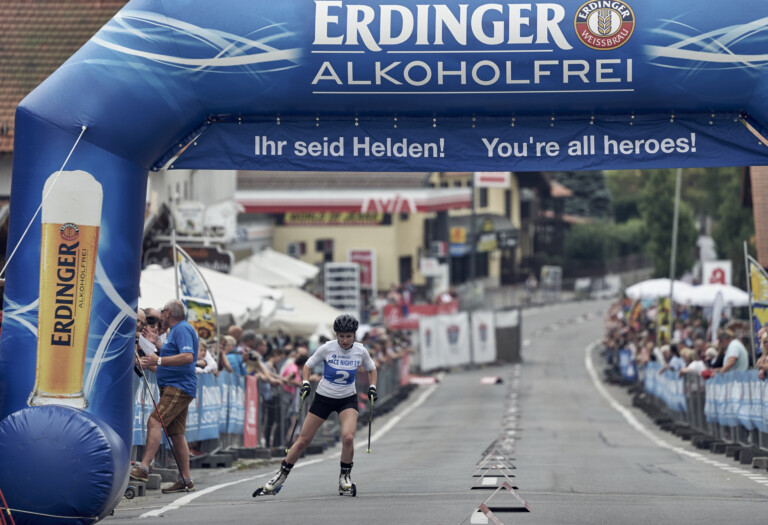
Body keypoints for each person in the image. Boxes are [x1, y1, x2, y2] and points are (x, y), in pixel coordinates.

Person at [261, 314, 377, 495]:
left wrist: (372, 387)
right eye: (341, 336)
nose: (345, 340)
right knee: (303, 441)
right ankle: (280, 476)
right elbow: (307, 365)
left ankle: (345, 477)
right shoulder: (327, 348)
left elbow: (372, 369)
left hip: (347, 399)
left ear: (354, 335)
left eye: (348, 336)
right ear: (336, 335)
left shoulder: (360, 351)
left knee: (348, 437)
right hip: (323, 397)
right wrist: (306, 382)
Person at [130, 299, 199, 493]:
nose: (160, 317)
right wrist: (156, 344)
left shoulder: (182, 329)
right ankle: (185, 480)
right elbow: (170, 353)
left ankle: (144, 468)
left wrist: (158, 360)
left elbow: (188, 357)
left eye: (162, 313)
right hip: (174, 386)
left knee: (154, 421)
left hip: (178, 387)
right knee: (176, 434)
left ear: (168, 313)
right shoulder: (175, 331)